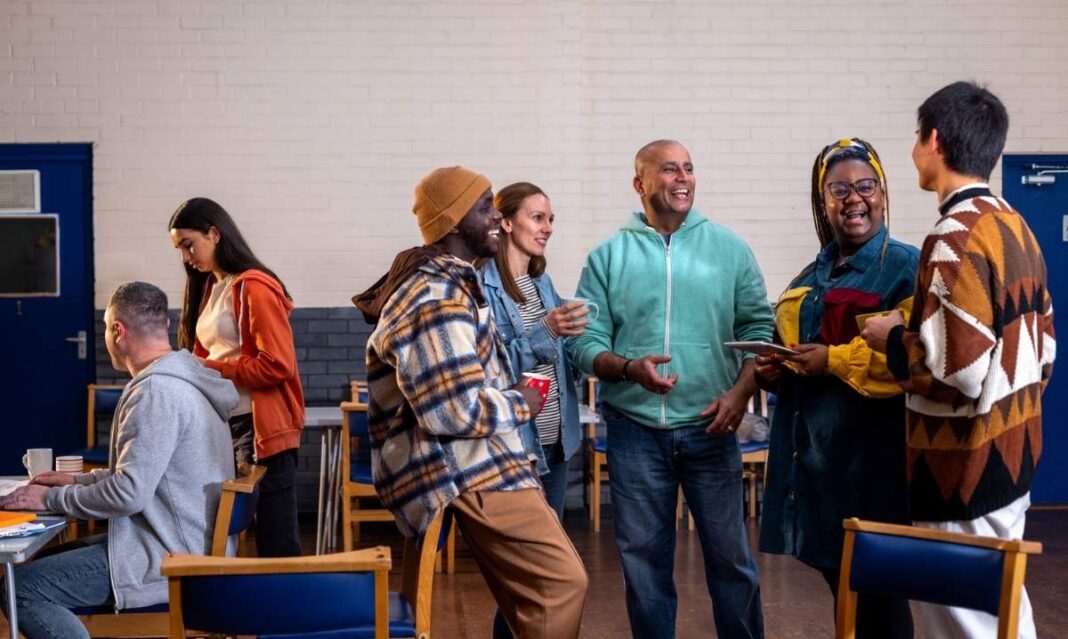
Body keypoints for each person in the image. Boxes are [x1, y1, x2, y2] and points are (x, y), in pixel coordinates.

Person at [353, 166, 588, 638]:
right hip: (463, 465)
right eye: (485, 208)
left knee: (537, 594)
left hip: (482, 459)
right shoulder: (434, 294)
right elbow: (453, 411)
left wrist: (521, 461)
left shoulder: (453, 282)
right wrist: (522, 402)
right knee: (563, 584)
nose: (497, 219)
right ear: (455, 222)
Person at [863, 81, 1056, 639]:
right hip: (1012, 456)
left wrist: (892, 337)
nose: (914, 151)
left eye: (916, 137)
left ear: (935, 140)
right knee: (1004, 615)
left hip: (962, 467)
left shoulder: (955, 233)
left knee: (961, 625)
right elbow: (1044, 355)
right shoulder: (1015, 226)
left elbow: (957, 373)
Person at [569, 140, 772, 639]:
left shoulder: (729, 249)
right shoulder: (608, 256)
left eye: (688, 168)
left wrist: (740, 393)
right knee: (644, 570)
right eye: (668, 169)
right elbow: (583, 342)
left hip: (712, 425)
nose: (682, 177)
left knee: (732, 563)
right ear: (640, 184)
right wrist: (625, 367)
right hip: (635, 431)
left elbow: (760, 331)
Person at [0, 282, 236, 639]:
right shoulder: (185, 379)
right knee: (38, 568)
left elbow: (129, 494)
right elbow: (148, 476)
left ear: (117, 330)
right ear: (166, 326)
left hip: (171, 557)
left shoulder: (156, 392)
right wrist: (77, 483)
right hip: (184, 541)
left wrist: (48, 499)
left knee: (20, 588)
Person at [755, 138, 917, 638]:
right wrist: (776, 369)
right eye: (839, 189)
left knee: (880, 601)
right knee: (846, 594)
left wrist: (832, 359)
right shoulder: (810, 277)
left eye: (865, 186)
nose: (853, 199)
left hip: (874, 469)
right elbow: (796, 347)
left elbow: (910, 359)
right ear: (821, 201)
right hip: (816, 471)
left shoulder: (908, 267)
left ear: (883, 193)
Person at [480, 182, 587, 639]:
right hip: (515, 447)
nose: (547, 228)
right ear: (506, 222)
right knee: (528, 574)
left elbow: (561, 352)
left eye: (550, 219)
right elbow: (491, 361)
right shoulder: (481, 281)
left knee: (543, 572)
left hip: (554, 440)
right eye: (537, 217)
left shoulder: (541, 281)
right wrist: (546, 330)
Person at [169, 197, 305, 557]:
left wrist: (209, 369)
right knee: (231, 534)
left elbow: (278, 365)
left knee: (276, 544)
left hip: (262, 429)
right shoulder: (213, 288)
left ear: (214, 234)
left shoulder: (254, 286)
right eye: (179, 249)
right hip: (229, 426)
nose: (186, 257)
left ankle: (287, 612)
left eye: (188, 245)